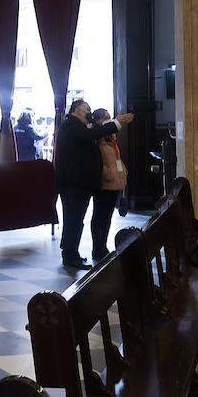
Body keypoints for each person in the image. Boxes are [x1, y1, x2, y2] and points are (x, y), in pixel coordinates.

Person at [54, 99, 134, 270]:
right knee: (73, 219)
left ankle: (72, 254)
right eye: (86, 109)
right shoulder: (71, 125)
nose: (89, 112)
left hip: (79, 183)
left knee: (75, 220)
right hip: (73, 183)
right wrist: (117, 123)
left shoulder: (78, 126)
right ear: (76, 111)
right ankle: (70, 256)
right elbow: (91, 135)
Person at [91, 109, 129, 263]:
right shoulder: (96, 139)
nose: (109, 120)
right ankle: (97, 247)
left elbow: (116, 158)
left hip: (115, 182)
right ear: (98, 121)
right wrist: (107, 173)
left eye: (109, 117)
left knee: (107, 216)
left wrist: (122, 173)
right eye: (105, 118)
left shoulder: (111, 138)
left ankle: (103, 245)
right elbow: (96, 160)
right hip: (103, 182)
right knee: (99, 215)